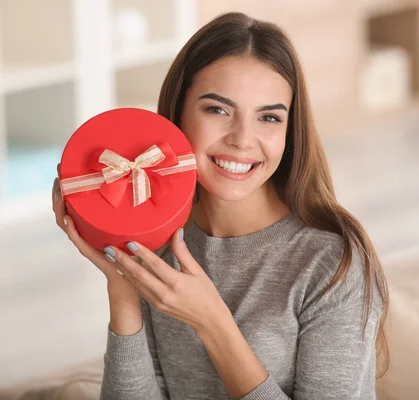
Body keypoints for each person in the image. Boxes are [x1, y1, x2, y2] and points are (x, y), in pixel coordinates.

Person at [51, 12, 389, 400]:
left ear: (289, 130)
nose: (243, 140)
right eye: (218, 110)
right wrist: (123, 291)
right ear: (177, 113)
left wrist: (212, 322)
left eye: (268, 117)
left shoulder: (330, 261)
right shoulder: (155, 235)